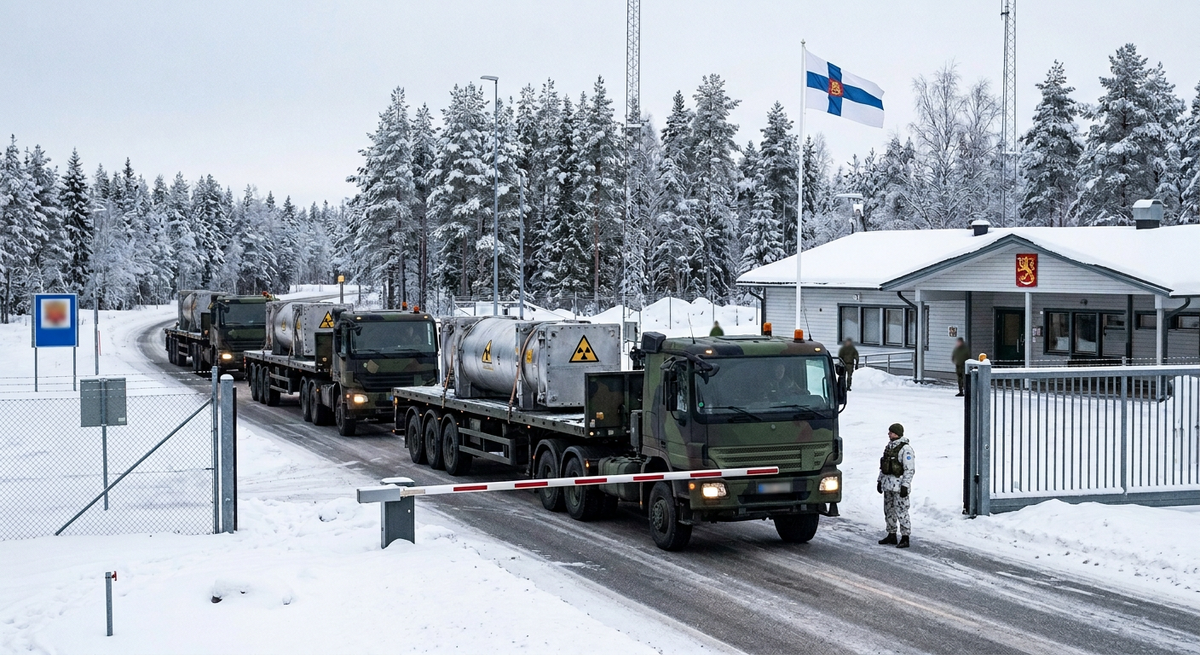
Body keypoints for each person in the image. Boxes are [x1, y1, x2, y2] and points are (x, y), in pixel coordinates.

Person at [876, 423, 915, 548]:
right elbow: (883, 466)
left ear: (897, 433)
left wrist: (905, 485)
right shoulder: (889, 447)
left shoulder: (906, 449)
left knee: (902, 511)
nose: (889, 434)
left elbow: (909, 469)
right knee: (888, 511)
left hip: (899, 487)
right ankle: (891, 534)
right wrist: (879, 481)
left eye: (891, 432)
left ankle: (905, 537)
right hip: (888, 485)